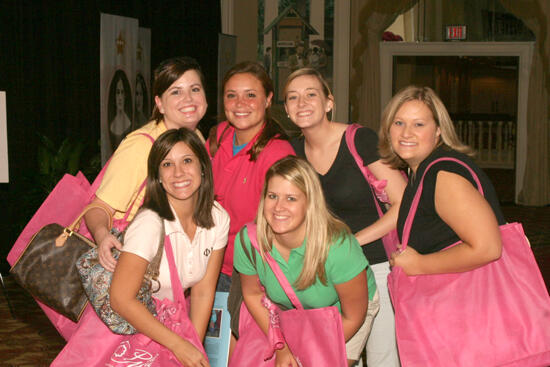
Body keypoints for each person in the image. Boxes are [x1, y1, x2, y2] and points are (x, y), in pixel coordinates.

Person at [285, 68, 406, 366]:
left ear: (329, 103)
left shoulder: (359, 139)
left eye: (311, 94)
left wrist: (351, 241)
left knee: (381, 359)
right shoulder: (292, 151)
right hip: (328, 271)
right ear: (286, 110)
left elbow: (403, 203)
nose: (302, 102)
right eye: (293, 98)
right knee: (335, 357)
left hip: (375, 264)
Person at [234, 156, 379, 367]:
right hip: (291, 312)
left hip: (343, 314)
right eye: (272, 196)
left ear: (310, 202)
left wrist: (306, 354)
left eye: (291, 198)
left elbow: (353, 317)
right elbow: (253, 294)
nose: (278, 207)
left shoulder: (338, 247)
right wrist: (282, 347)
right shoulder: (249, 241)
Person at [86, 56, 209, 272]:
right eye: (176, 91)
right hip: (134, 258)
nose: (188, 99)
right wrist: (103, 237)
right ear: (160, 103)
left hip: (175, 259)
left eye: (195, 89)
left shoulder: (197, 137)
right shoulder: (142, 145)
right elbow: (98, 207)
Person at [379, 85, 504, 275]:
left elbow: (488, 248)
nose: (406, 133)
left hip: (470, 298)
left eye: (418, 124)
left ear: (438, 130)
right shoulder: (421, 171)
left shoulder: (443, 176)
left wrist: (419, 264)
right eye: (398, 123)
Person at [207, 61, 294, 292]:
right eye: (231, 95)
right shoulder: (219, 136)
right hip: (207, 265)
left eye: (251, 95)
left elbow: (288, 224)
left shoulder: (278, 154)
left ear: (267, 100)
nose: (240, 104)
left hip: (250, 275)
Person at [108, 70, 133, 150]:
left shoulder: (129, 121)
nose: (120, 97)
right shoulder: (112, 123)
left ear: (125, 95)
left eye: (122, 92)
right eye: (117, 92)